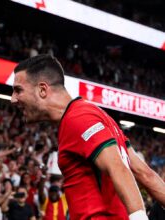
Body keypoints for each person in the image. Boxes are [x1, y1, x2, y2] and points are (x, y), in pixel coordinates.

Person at [11, 54, 165, 220]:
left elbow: (116, 166)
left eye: (18, 90)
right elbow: (145, 175)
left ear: (42, 90)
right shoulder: (96, 115)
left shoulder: (78, 119)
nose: (13, 99)